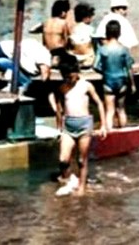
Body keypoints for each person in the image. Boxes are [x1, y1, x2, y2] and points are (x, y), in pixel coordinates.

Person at [49, 53, 107, 197]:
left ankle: (82, 187)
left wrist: (103, 125)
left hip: (84, 125)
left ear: (77, 72)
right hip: (68, 126)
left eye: (71, 76)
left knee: (82, 159)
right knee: (63, 159)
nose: (69, 80)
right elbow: (59, 108)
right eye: (66, 77)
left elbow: (99, 103)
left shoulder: (86, 85)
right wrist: (59, 128)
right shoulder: (63, 88)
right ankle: (69, 178)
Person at [94, 20, 136, 131]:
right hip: (122, 82)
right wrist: (132, 85)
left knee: (110, 111)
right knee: (121, 109)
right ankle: (124, 133)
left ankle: (110, 134)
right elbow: (129, 68)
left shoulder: (102, 49)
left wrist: (104, 72)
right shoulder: (124, 50)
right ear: (119, 34)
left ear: (106, 33)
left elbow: (95, 66)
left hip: (108, 82)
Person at [42, 0, 72, 66]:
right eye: (66, 12)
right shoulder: (63, 23)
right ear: (63, 12)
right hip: (59, 51)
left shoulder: (46, 22)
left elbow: (44, 41)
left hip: (47, 51)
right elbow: (66, 40)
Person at [69, 3, 96, 68]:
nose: (92, 19)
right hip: (87, 58)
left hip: (75, 58)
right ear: (86, 18)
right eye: (91, 17)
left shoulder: (73, 29)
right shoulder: (91, 29)